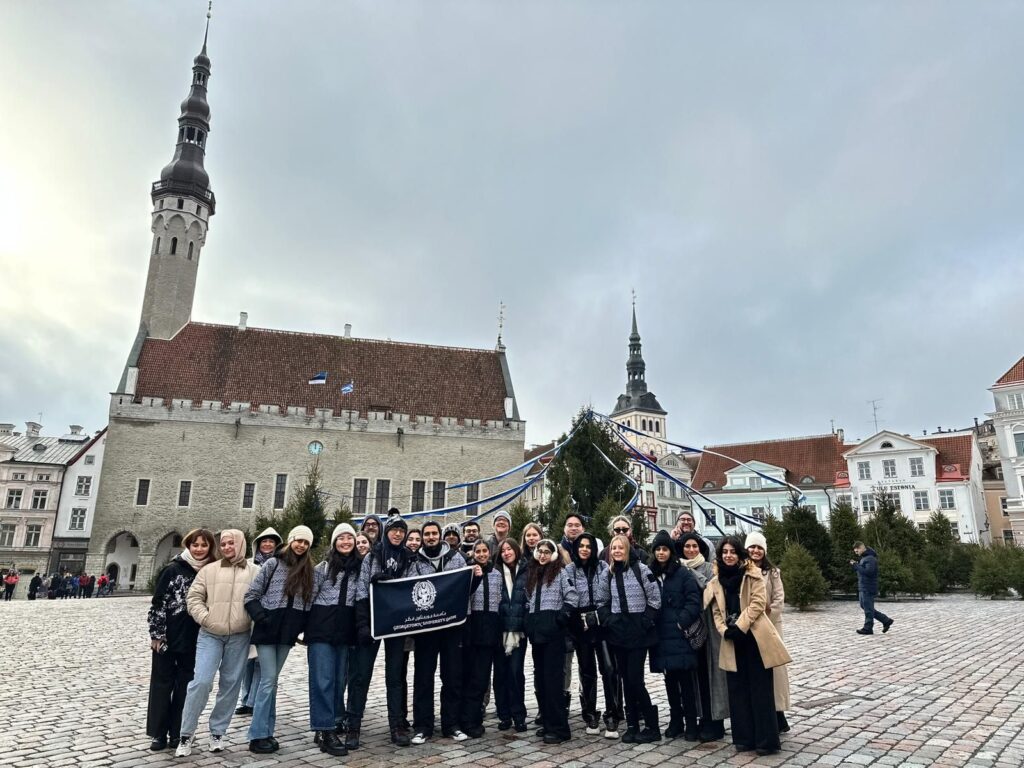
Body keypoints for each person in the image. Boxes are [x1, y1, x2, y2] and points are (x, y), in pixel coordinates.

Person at [175, 530, 259, 757]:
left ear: (240, 544)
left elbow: (262, 600)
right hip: (210, 634)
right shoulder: (209, 570)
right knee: (201, 682)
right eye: (223, 543)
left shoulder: (255, 572)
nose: (227, 547)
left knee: (230, 685)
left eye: (232, 543)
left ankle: (217, 732)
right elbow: (194, 598)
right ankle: (186, 733)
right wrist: (205, 618)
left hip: (239, 636)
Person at [707, 536, 790, 757]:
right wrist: (724, 629)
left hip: (754, 637)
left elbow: (758, 602)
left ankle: (766, 741)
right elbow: (715, 610)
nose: (728, 555)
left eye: (732, 551)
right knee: (738, 690)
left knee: (760, 690)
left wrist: (740, 625)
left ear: (739, 554)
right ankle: (744, 739)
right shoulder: (716, 581)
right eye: (724, 552)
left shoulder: (752, 575)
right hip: (732, 639)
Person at [244, 526, 316, 754]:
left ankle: (267, 731)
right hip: (268, 629)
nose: (301, 545)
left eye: (306, 543)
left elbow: (307, 603)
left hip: (287, 634)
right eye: (298, 541)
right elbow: (251, 595)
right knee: (268, 680)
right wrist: (262, 617)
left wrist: (301, 628)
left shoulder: (308, 571)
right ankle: (256, 735)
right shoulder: (273, 564)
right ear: (290, 540)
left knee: (272, 682)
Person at [146, 528, 216, 751]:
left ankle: (179, 732)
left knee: (186, 686)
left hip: (197, 638)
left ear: (209, 548)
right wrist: (157, 634)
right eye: (195, 545)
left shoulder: (212, 572)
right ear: (188, 546)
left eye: (204, 545)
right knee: (162, 684)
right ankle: (158, 733)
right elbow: (158, 603)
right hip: (169, 636)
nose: (199, 549)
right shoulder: (172, 570)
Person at [355, 514, 421, 746]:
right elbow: (361, 590)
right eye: (394, 530)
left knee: (395, 677)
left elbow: (411, 588)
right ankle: (354, 727)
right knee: (362, 675)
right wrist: (363, 623)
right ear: (387, 531)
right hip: (373, 620)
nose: (398, 534)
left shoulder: (408, 558)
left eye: (402, 531)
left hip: (395, 622)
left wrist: (392, 586)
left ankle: (396, 725)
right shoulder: (373, 556)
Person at [598, 534, 661, 744]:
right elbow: (602, 600)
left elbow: (655, 598)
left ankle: (651, 725)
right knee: (624, 679)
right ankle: (632, 724)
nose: (616, 551)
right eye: (613, 548)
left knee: (635, 679)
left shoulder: (641, 570)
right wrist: (609, 619)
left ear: (627, 549)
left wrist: (644, 622)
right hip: (618, 633)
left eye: (620, 548)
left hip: (639, 634)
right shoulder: (608, 574)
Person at [411, 521, 469, 744]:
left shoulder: (456, 558)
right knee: (423, 678)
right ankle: (423, 726)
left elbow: (466, 586)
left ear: (440, 536)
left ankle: (451, 724)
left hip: (452, 627)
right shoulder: (414, 561)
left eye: (434, 533)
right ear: (423, 537)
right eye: (427, 534)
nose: (431, 537)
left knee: (452, 676)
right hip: (426, 629)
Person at [305, 523, 360, 757]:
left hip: (344, 631)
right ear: (334, 542)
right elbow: (309, 598)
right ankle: (324, 729)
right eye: (341, 538)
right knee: (322, 680)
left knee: (338, 680)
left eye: (350, 538)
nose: (345, 542)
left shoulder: (359, 569)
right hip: (322, 629)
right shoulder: (323, 568)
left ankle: (331, 722)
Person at [519, 538, 577, 744]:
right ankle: (548, 722)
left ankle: (560, 728)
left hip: (553, 633)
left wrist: (560, 619)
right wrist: (528, 622)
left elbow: (572, 597)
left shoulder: (561, 573)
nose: (542, 555)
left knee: (553, 682)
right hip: (537, 633)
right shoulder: (533, 575)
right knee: (542, 681)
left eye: (546, 552)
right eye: (539, 551)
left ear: (553, 554)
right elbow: (528, 601)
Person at [565, 532, 622, 739]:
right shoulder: (569, 570)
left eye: (588, 546)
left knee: (608, 668)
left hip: (602, 623)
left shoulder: (602, 568)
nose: (585, 549)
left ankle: (612, 713)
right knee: (587, 670)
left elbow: (609, 594)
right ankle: (590, 713)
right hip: (581, 627)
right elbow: (570, 595)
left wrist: (601, 616)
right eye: (581, 546)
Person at [648, 530, 703, 741]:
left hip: (680, 636)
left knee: (686, 682)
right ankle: (675, 720)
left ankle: (691, 722)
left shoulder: (682, 574)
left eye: (665, 549)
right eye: (658, 549)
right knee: (670, 682)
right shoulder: (650, 574)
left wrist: (682, 620)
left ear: (671, 552)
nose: (661, 553)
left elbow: (693, 600)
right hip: (661, 637)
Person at [680, 532, 724, 742]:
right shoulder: (678, 568)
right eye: (687, 546)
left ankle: (715, 720)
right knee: (696, 676)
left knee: (711, 674)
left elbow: (710, 589)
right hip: (690, 630)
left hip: (709, 627)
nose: (690, 550)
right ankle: (701, 717)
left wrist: (690, 573)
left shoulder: (708, 567)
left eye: (694, 546)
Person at [745, 532, 790, 733]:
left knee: (774, 673)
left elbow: (779, 599)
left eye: (759, 547)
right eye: (752, 547)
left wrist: (765, 620)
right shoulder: (742, 570)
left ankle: (778, 713)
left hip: (770, 628)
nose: (755, 551)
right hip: (748, 628)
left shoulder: (772, 572)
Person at [461, 540, 507, 737]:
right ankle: (468, 719)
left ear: (489, 553)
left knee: (482, 678)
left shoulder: (497, 574)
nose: (481, 554)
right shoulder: (469, 572)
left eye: (484, 551)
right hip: (474, 626)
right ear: (473, 553)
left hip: (491, 628)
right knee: (471, 677)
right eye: (477, 551)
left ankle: (476, 716)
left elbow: (500, 599)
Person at [235, 527, 282, 718]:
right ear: (258, 544)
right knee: (247, 662)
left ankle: (254, 700)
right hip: (249, 616)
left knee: (261, 663)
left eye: (271, 542)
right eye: (264, 542)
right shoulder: (248, 564)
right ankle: (245, 699)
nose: (267, 545)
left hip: (267, 618)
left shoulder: (279, 565)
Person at [494, 539, 528, 732]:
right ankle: (504, 714)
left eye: (509, 549)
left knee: (515, 673)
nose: (507, 553)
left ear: (516, 550)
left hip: (518, 631)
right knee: (500, 675)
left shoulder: (525, 570)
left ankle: (519, 714)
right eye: (503, 550)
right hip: (499, 630)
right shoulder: (496, 571)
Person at [851, 541, 893, 635]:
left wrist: (856, 565)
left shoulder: (870, 559)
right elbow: (862, 571)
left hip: (868, 587)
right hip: (863, 586)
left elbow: (868, 572)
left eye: (857, 551)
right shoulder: (864, 558)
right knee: (865, 606)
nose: (856, 552)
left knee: (868, 608)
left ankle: (868, 628)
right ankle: (886, 620)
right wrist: (856, 565)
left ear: (861, 548)